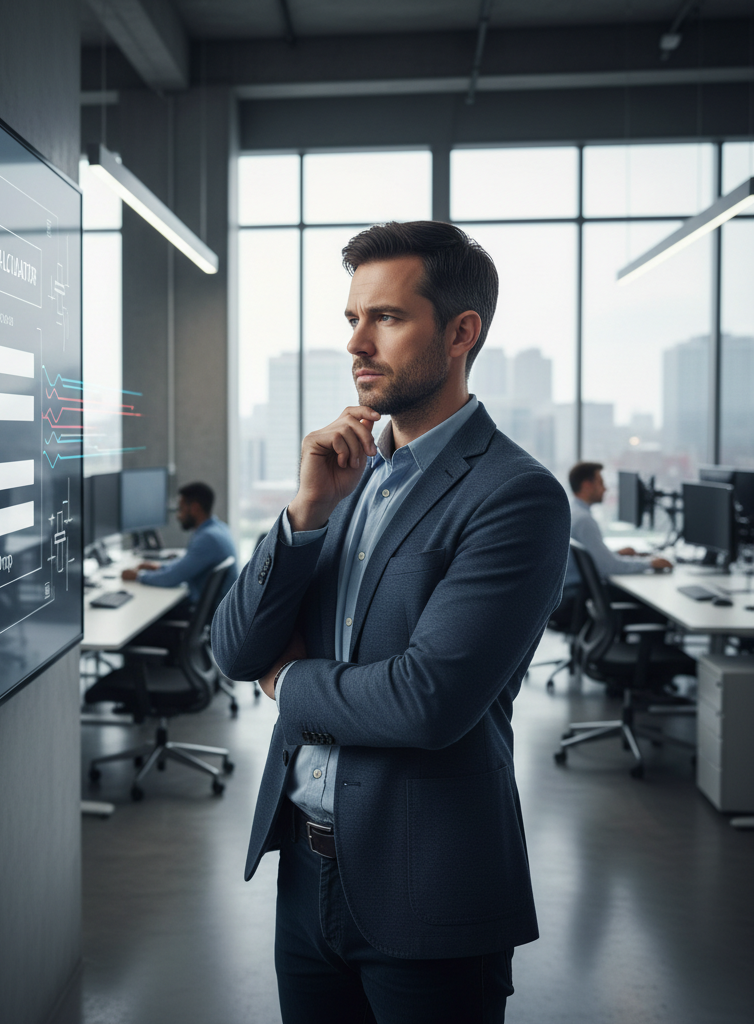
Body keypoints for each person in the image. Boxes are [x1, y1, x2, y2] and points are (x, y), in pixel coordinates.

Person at [212, 221, 570, 1024]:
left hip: (430, 885)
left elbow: (427, 700)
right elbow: (235, 651)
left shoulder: (516, 495)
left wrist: (292, 680)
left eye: (387, 318)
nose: (357, 344)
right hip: (304, 872)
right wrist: (305, 512)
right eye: (351, 320)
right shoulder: (345, 478)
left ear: (460, 333)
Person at [122, 481, 237, 609]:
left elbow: (171, 579)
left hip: (208, 611)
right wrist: (159, 567)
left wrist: (138, 576)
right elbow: (185, 564)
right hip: (217, 608)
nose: (178, 516)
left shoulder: (207, 539)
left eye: (180, 509)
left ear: (194, 508)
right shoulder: (219, 528)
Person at [563, 461, 672, 594]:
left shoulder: (573, 512)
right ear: (587, 485)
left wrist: (614, 554)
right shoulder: (584, 521)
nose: (605, 489)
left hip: (575, 590)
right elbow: (609, 566)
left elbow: (595, 558)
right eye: (601, 483)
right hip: (579, 592)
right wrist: (650, 563)